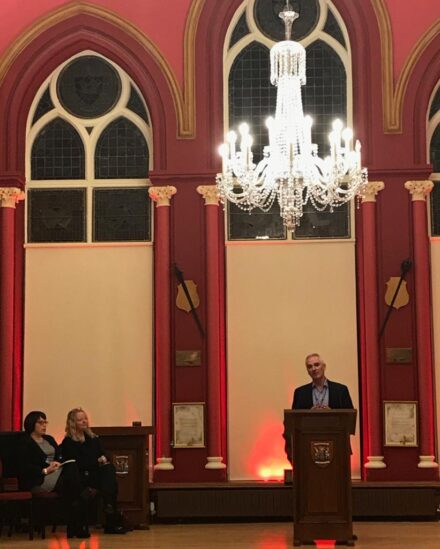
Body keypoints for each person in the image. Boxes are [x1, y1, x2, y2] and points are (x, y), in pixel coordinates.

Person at [18, 411, 90, 538]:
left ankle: (74, 525)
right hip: (40, 478)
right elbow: (24, 467)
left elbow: (60, 455)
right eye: (40, 422)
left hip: (57, 473)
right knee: (74, 482)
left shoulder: (49, 439)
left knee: (71, 471)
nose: (44, 425)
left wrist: (58, 463)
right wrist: (45, 470)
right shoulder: (24, 442)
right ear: (31, 424)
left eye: (45, 422)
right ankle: (76, 524)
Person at [60, 408, 127, 535]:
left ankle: (109, 507)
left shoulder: (93, 438)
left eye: (85, 418)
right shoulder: (68, 442)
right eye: (80, 420)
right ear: (73, 423)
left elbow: (103, 453)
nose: (84, 421)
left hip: (95, 474)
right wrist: (96, 461)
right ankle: (109, 511)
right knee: (103, 479)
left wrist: (102, 459)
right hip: (80, 476)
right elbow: (77, 463)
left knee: (108, 470)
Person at [284, 353, 354, 461]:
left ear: (324, 367)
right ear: (307, 370)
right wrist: (309, 415)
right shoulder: (300, 392)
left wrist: (332, 413)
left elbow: (349, 419)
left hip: (337, 445)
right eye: (310, 366)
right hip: (307, 448)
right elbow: (294, 422)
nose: (314, 369)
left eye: (317, 365)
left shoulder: (341, 390)